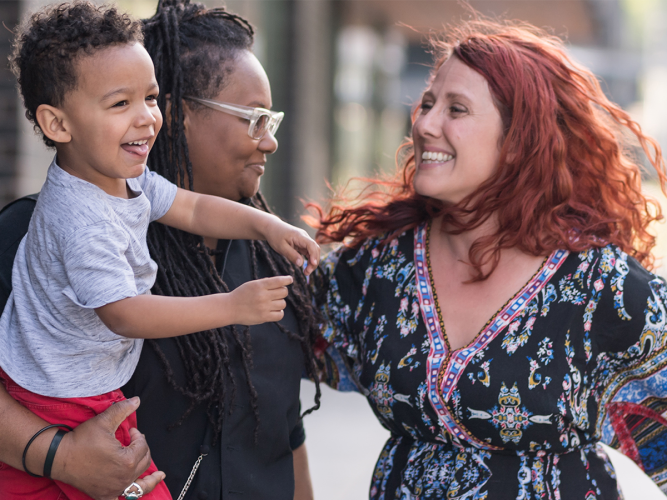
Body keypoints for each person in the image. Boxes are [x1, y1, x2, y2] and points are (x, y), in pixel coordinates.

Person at [312, 16, 667, 499]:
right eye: (429, 103)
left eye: (456, 109)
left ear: (519, 139)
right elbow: (256, 360)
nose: (425, 123)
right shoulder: (376, 266)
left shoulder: (599, 286)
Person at [0, 1, 321, 499]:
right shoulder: (45, 229)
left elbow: (286, 436)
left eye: (272, 120)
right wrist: (58, 457)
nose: (270, 142)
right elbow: (123, 314)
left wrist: (267, 226)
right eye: (254, 119)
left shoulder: (263, 255)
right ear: (181, 114)